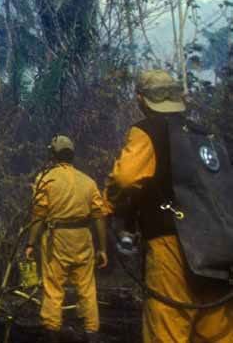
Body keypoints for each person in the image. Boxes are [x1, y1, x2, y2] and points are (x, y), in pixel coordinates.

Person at [104, 69, 233, 342]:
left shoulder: (148, 131)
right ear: (178, 97)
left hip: (173, 245)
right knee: (218, 330)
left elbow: (125, 178)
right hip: (219, 250)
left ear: (141, 99)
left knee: (168, 324)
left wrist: (110, 204)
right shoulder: (206, 135)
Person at [25, 134, 107, 341]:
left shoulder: (46, 179)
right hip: (83, 240)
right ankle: (92, 335)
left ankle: (52, 334)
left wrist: (30, 243)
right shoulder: (88, 181)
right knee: (87, 290)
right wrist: (102, 248)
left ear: (53, 154)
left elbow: (39, 214)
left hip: (57, 240)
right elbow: (99, 216)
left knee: (53, 289)